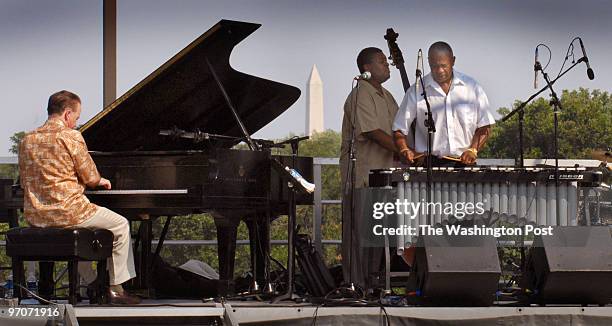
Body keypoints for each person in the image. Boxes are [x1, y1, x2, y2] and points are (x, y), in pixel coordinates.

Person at [18, 90, 140, 304]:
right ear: (66, 114)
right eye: (76, 117)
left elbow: (26, 178)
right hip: (69, 213)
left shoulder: (27, 140)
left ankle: (92, 283)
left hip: (37, 216)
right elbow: (91, 176)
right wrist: (101, 181)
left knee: (81, 236)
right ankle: (116, 289)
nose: (75, 123)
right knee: (120, 225)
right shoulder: (70, 136)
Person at [339, 47, 400, 290]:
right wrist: (404, 150)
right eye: (382, 61)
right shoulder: (359, 94)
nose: (388, 65)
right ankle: (356, 286)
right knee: (361, 238)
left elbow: (399, 131)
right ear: (367, 68)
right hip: (363, 176)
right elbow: (373, 133)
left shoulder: (388, 96)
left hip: (385, 177)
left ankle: (376, 285)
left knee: (380, 236)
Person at [393, 41, 495, 167]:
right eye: (434, 66)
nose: (439, 70)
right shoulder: (416, 90)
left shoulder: (471, 87)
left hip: (463, 162)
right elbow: (398, 129)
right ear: (428, 62)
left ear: (453, 61)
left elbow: (485, 126)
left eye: (444, 65)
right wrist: (404, 149)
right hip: (428, 165)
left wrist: (473, 149)